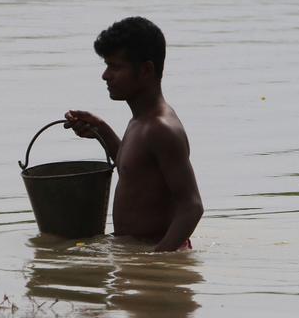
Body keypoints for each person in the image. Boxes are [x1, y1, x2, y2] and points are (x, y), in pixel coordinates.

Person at [64, 17, 203, 251]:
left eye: (115, 66)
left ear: (146, 70)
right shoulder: (139, 121)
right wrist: (102, 131)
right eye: (106, 65)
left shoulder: (161, 128)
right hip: (133, 248)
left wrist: (155, 262)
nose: (105, 75)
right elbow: (136, 173)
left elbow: (192, 206)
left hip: (155, 253)